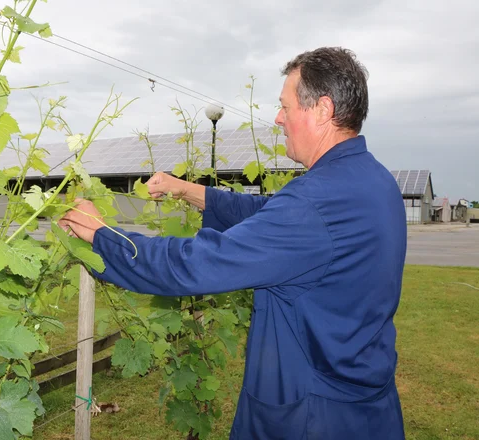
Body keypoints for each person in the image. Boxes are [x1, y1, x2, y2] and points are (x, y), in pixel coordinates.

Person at [59, 47, 407, 440]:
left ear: (322, 110)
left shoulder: (314, 204)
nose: (278, 118)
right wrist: (187, 190)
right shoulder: (374, 183)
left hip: (310, 417)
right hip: (367, 409)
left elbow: (195, 264)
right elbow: (270, 213)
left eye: (285, 106)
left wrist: (104, 238)